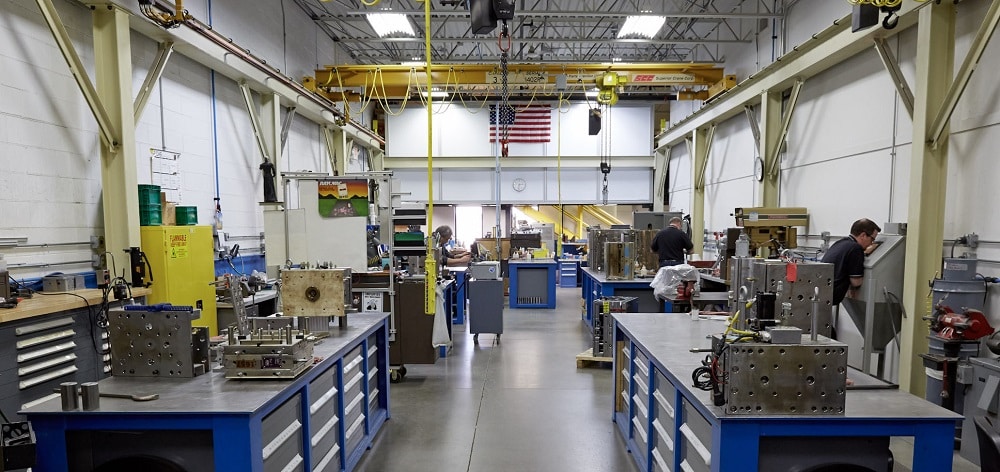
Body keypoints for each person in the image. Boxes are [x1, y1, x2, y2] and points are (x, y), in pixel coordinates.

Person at [821, 218, 881, 305]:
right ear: (863, 235)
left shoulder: (840, 243)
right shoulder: (855, 248)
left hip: (821, 293)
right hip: (829, 297)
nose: (871, 244)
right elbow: (856, 282)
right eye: (872, 239)